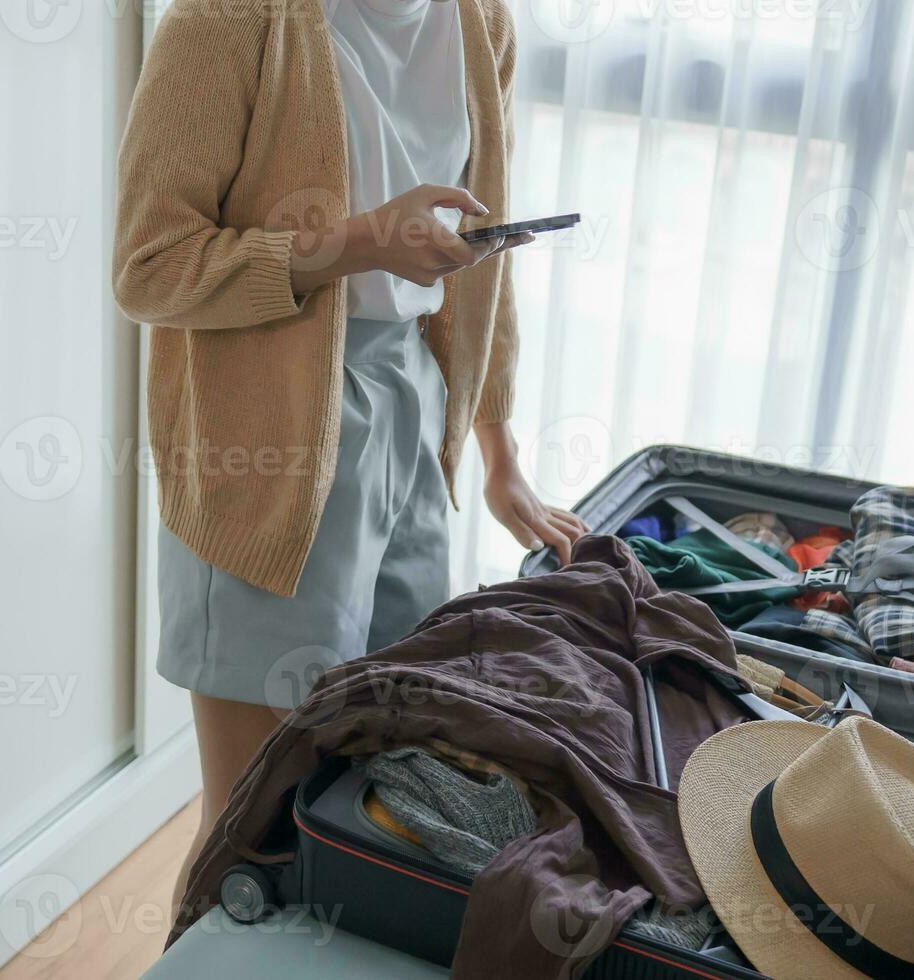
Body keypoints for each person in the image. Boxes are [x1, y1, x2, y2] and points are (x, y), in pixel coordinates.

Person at [112, 0, 585, 905]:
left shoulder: (479, 21)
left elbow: (486, 258)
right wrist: (359, 242)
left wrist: (496, 447)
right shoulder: (229, 20)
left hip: (413, 409)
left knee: (375, 795)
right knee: (250, 831)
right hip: (263, 432)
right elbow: (149, 264)